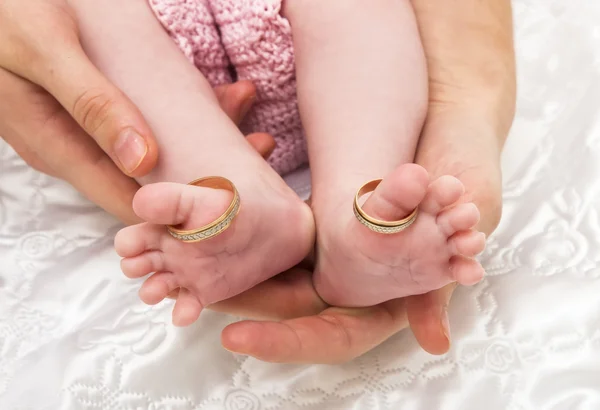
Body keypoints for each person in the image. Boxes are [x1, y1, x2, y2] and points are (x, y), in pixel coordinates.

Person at [0, 0, 515, 362]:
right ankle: (237, 200)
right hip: (158, 40)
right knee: (98, 23)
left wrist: (464, 110)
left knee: (359, 14)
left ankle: (358, 211)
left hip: (302, 47)